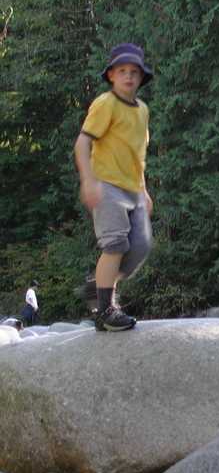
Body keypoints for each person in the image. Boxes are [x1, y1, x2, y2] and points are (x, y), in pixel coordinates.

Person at [73, 43, 154, 332]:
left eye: (134, 72)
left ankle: (98, 286)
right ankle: (105, 310)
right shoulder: (105, 103)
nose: (128, 76)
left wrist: (144, 190)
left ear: (141, 77)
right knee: (116, 244)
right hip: (107, 185)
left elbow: (137, 154)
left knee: (140, 247)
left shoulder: (142, 110)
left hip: (133, 189)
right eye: (122, 71)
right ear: (111, 75)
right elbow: (82, 143)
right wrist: (88, 180)